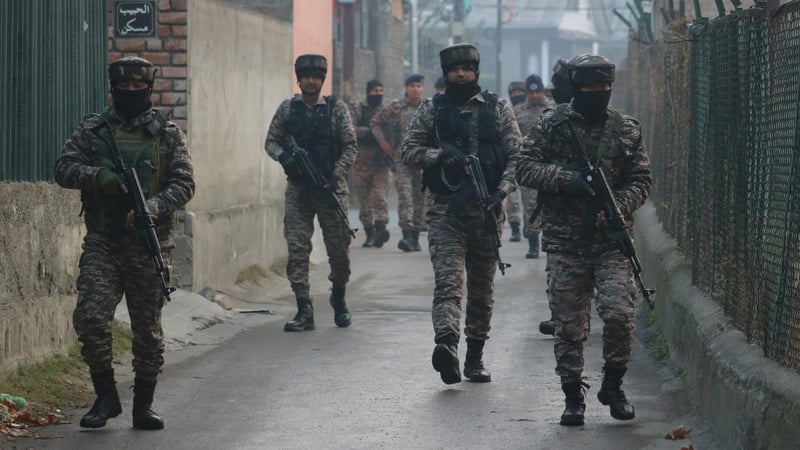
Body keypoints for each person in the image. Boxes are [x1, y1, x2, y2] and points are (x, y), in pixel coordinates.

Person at [54, 56, 196, 430]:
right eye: (124, 89)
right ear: (113, 88)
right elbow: (63, 169)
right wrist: (99, 176)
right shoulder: (95, 129)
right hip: (104, 240)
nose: (131, 94)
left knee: (147, 331)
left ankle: (143, 405)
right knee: (90, 318)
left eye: (139, 89)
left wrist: (152, 206)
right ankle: (105, 396)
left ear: (149, 88)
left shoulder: (167, 134)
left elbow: (185, 184)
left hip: (148, 244)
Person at [515, 54, 652, 426]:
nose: (596, 95)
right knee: (569, 325)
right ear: (576, 89)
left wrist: (617, 205)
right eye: (589, 89)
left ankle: (613, 385)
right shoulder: (552, 125)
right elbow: (524, 167)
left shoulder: (625, 129)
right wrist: (569, 181)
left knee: (620, 314)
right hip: (566, 242)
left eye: (603, 89)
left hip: (611, 242)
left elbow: (642, 180)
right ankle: (573, 396)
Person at [401, 44, 521, 384]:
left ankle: (475, 356)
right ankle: (447, 346)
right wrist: (440, 157)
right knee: (448, 284)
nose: (460, 75)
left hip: (486, 212)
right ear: (446, 73)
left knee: (482, 289)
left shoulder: (497, 109)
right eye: (454, 70)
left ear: (476, 72)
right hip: (444, 212)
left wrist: (502, 190)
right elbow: (408, 150)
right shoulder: (432, 109)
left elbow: (518, 157)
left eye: (467, 69)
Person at [264, 54, 358, 331]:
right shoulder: (287, 109)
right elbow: (271, 142)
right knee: (297, 248)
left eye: (316, 76)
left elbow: (351, 146)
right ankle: (304, 309)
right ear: (299, 78)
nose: (310, 80)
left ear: (322, 79)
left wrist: (335, 174)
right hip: (299, 191)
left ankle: (339, 299)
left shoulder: (335, 109)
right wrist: (285, 158)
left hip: (331, 190)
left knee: (339, 251)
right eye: (305, 76)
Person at [370, 74, 427, 252]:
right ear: (406, 88)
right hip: (402, 160)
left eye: (418, 86)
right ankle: (407, 235)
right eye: (412, 86)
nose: (415, 89)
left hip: (424, 161)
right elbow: (375, 123)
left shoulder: (429, 107)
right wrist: (384, 144)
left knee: (420, 198)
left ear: (422, 88)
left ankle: (415, 236)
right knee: (405, 196)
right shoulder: (396, 107)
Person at [538, 59, 574, 336]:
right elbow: (527, 165)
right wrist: (563, 178)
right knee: (558, 268)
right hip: (559, 211)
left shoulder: (613, 124)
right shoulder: (550, 122)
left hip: (597, 212)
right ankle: (559, 314)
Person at [349, 80, 392, 248]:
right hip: (361, 162)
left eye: (381, 90)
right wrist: (366, 133)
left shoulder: (386, 110)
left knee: (380, 196)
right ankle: (369, 232)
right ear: (368, 92)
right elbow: (348, 128)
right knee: (364, 200)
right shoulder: (358, 108)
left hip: (381, 162)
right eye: (375, 90)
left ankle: (381, 228)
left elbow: (394, 130)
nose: (378, 93)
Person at [513, 73, 551, 259]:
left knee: (552, 208)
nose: (535, 96)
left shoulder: (554, 109)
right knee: (530, 207)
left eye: (539, 92)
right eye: (531, 93)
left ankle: (551, 246)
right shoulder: (517, 112)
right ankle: (533, 244)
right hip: (528, 167)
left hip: (551, 167)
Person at [503, 80, 527, 242]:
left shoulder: (532, 110)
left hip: (530, 161)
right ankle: (516, 227)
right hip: (514, 160)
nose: (516, 95)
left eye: (520, 92)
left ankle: (530, 228)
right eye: (513, 93)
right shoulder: (509, 112)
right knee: (513, 197)